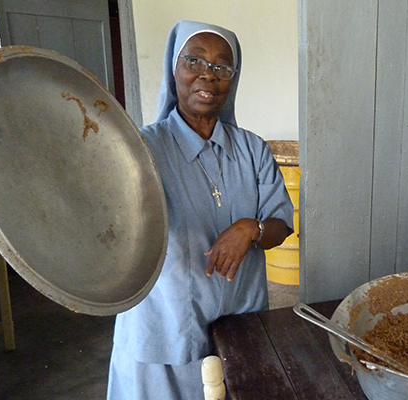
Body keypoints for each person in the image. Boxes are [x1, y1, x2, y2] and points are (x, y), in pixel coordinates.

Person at [106, 20, 294, 400]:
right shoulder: (140, 149)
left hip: (239, 325)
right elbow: (110, 231)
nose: (207, 75)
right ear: (173, 70)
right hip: (163, 330)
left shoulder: (253, 150)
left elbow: (281, 225)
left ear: (232, 79)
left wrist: (250, 228)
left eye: (222, 67)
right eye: (194, 61)